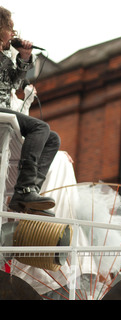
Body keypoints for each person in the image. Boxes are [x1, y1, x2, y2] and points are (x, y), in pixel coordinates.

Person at [0, 6, 60, 214]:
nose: (13, 33)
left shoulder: (5, 56)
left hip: (4, 111)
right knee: (40, 128)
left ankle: (28, 192)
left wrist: (24, 57)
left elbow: (15, 83)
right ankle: (24, 188)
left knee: (53, 139)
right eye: (10, 28)